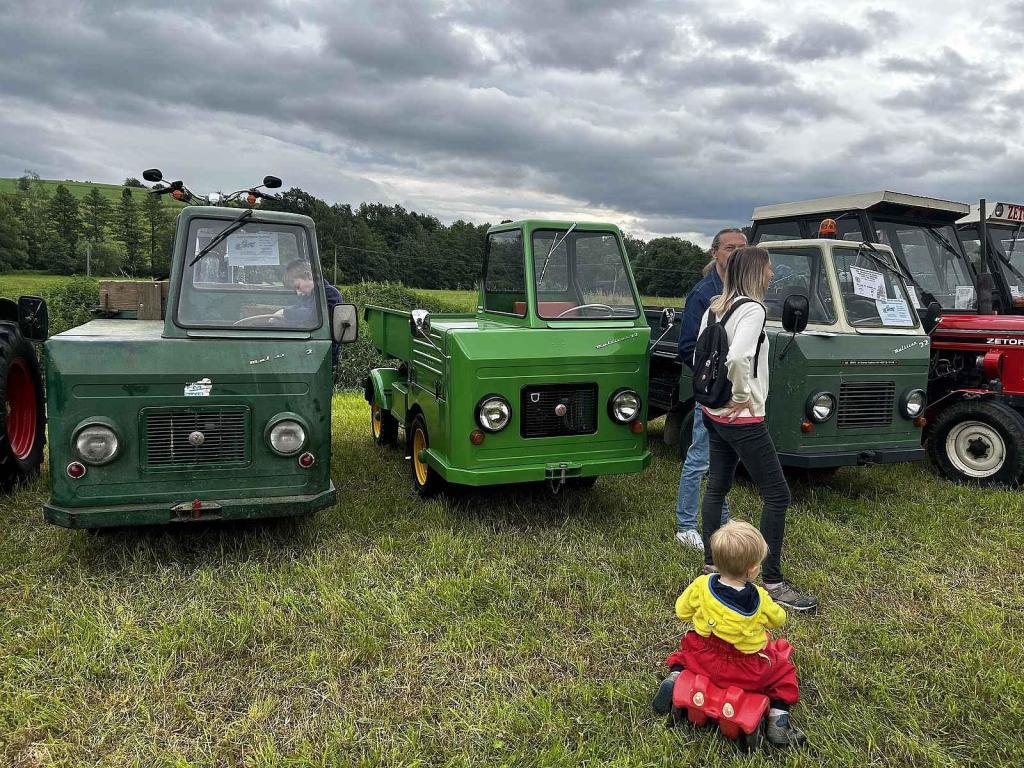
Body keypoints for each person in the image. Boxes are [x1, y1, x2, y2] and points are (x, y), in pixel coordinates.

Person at [697, 246, 816, 612]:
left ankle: (712, 565)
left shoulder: (715, 306)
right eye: (768, 268)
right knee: (777, 495)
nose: (771, 274)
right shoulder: (752, 309)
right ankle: (772, 580)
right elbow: (737, 356)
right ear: (754, 272)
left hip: (712, 412)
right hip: (741, 418)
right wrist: (742, 394)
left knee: (717, 485)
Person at [651, 521, 806, 747]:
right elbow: (778, 619)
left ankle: (675, 677)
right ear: (753, 569)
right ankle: (778, 717)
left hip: (703, 659)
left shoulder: (702, 585)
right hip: (744, 671)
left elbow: (681, 611)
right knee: (783, 673)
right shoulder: (760, 598)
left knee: (685, 652)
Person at [672, 228, 746, 550]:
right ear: (714, 252)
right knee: (700, 456)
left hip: (735, 394)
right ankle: (686, 525)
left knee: (724, 459)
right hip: (713, 392)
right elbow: (688, 346)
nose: (736, 254)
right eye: (730, 248)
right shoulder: (704, 294)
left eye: (743, 248)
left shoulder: (745, 291)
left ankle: (722, 519)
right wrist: (711, 382)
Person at [278, 259, 344, 373]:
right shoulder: (311, 296)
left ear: (309, 276)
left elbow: (312, 316)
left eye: (298, 286)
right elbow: (299, 308)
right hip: (309, 351)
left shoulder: (329, 294)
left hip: (323, 356)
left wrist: (285, 312)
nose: (298, 293)